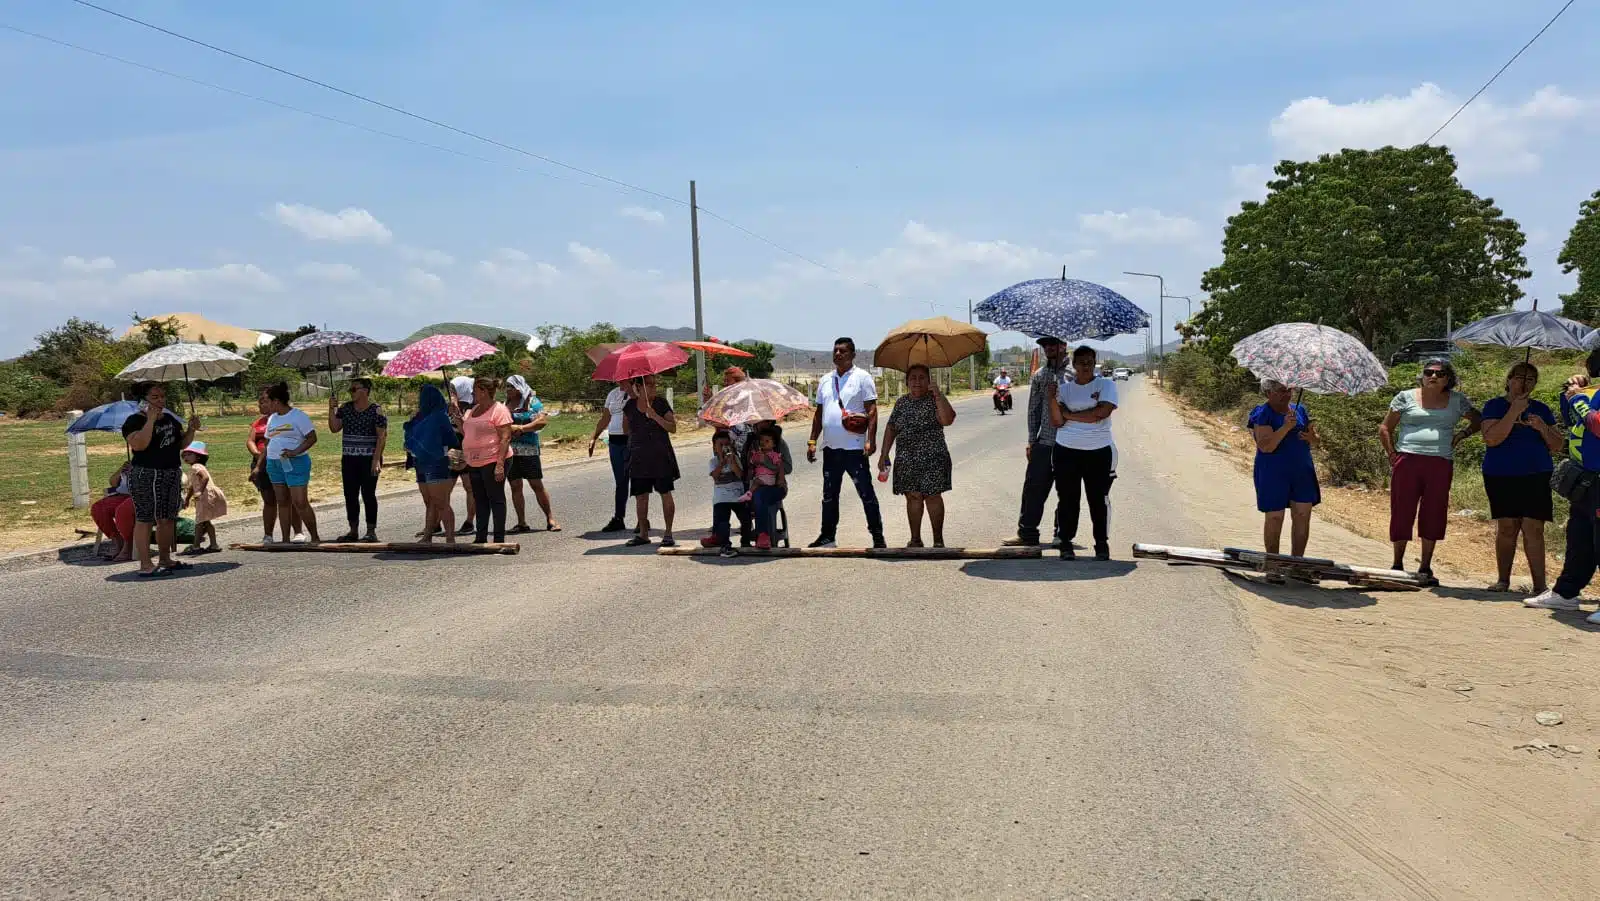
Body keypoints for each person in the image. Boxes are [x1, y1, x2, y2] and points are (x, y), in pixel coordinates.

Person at [1378, 359, 1479, 585]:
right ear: (1422, 375)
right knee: (1402, 509)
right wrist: (1392, 453)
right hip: (1407, 459)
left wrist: (1461, 435)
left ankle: (1425, 566)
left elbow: (1478, 420)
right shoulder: (1405, 397)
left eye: (1440, 374)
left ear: (1448, 379)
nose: (1433, 376)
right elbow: (1385, 427)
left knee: (1434, 511)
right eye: (1428, 372)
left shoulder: (1457, 401)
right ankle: (1397, 564)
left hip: (1440, 461)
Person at [1525, 350, 1600, 620]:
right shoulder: (1592, 391)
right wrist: (1569, 394)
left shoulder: (1589, 395)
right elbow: (1572, 422)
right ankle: (1566, 593)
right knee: (1580, 538)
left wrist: (1579, 398)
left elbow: (1597, 423)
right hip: (1586, 477)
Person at [1478, 363, 1562, 592]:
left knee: (1534, 527)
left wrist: (1542, 428)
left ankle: (1540, 586)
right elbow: (1491, 438)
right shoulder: (1494, 406)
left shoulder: (1541, 409)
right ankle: (1503, 580)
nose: (1525, 382)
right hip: (1501, 473)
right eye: (1520, 377)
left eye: (1531, 379)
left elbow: (1557, 445)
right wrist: (1514, 411)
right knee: (1507, 526)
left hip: (1536, 472)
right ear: (1509, 379)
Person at [807, 337, 885, 549]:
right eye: (835, 351)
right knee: (829, 496)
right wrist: (812, 440)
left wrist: (871, 440)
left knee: (866, 493)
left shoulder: (862, 378)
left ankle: (877, 536)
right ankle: (827, 536)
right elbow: (819, 413)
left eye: (842, 351)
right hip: (831, 450)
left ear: (852, 354)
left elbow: (872, 411)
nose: (838, 354)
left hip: (855, 449)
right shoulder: (825, 380)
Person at [1046, 345, 1118, 561]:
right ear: (1074, 365)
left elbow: (1101, 413)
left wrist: (1069, 414)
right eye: (1081, 362)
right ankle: (1066, 542)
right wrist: (1051, 399)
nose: (1086, 366)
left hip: (1099, 450)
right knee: (1068, 498)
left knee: (1098, 499)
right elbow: (1057, 421)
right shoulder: (1064, 390)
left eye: (1090, 362)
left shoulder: (1106, 384)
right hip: (1066, 450)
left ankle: (1101, 544)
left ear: (1094, 363)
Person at [121, 382, 199, 577]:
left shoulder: (171, 420)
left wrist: (191, 430)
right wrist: (150, 421)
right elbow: (139, 445)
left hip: (170, 471)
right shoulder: (133, 421)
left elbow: (180, 444)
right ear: (144, 400)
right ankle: (146, 564)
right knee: (145, 517)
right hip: (146, 473)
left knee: (167, 518)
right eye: (155, 397)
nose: (160, 400)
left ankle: (165, 559)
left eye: (162, 396)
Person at [878, 364, 957, 548]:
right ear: (907, 382)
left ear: (929, 381)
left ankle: (938, 541)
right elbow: (891, 428)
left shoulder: (934, 399)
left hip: (933, 458)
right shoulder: (902, 403)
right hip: (906, 459)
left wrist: (938, 393)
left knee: (932, 496)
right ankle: (915, 540)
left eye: (922, 377)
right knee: (913, 497)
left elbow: (948, 419)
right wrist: (884, 453)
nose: (917, 381)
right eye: (913, 378)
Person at [1248, 379, 1320, 561]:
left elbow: (1316, 441)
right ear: (1268, 393)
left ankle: (1297, 564)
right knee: (1275, 517)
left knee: (1302, 514)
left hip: (1301, 470)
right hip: (1273, 472)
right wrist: (1286, 427)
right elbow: (1266, 446)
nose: (1287, 394)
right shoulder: (1262, 413)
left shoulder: (1300, 410)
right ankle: (1273, 564)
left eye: (1289, 390)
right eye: (1281, 391)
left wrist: (1313, 437)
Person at [1008, 336, 1067, 547]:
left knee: (1067, 491)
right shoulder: (1040, 375)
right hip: (1045, 441)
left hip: (1071, 443)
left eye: (1054, 344)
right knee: (1033, 488)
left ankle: (1062, 534)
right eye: (1045, 345)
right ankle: (1027, 533)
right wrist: (1032, 440)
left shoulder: (1075, 374)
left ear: (1064, 345)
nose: (1049, 348)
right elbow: (1033, 410)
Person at [623, 373, 680, 547]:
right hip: (639, 457)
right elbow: (626, 430)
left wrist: (655, 416)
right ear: (638, 387)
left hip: (660, 455)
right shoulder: (630, 406)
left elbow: (673, 428)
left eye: (654, 384)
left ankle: (668, 533)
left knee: (665, 493)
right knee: (641, 496)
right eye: (649, 385)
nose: (653, 388)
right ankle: (643, 534)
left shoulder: (661, 404)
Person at [328, 377, 387, 542]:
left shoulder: (376, 410)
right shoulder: (345, 409)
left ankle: (370, 531)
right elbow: (334, 428)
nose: (351, 392)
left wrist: (376, 461)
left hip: (369, 459)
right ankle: (353, 530)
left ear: (365, 391)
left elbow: (381, 437)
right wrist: (331, 409)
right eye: (350, 390)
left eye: (354, 389)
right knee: (350, 495)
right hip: (349, 459)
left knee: (368, 494)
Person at [262, 381, 321, 544]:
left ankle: (315, 537)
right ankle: (285, 539)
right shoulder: (272, 418)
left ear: (276, 401)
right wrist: (262, 463)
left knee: (300, 501)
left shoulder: (298, 416)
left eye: (268, 400)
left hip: (295, 462)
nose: (265, 404)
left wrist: (295, 452)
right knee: (282, 501)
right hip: (274, 463)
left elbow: (312, 437)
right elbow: (268, 441)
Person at [404, 384, 461, 544]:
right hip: (419, 461)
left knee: (441, 501)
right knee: (429, 501)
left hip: (436, 462)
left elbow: (451, 439)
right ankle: (428, 535)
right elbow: (410, 436)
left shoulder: (440, 416)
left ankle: (450, 539)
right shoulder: (418, 417)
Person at [504, 374, 560, 534]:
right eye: (507, 386)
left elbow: (541, 421)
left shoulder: (532, 402)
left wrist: (521, 429)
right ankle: (521, 522)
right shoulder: (505, 404)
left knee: (536, 485)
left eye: (511, 387)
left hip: (529, 450)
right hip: (510, 451)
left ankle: (550, 518)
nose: (508, 390)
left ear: (519, 387)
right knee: (515, 486)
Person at [461, 375, 512, 543]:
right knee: (480, 499)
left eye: (475, 390)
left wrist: (499, 464)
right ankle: (480, 537)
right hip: (474, 461)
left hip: (493, 459)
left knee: (495, 498)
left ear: (483, 391)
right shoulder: (472, 410)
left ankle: (498, 538)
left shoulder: (499, 410)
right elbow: (468, 432)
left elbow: (505, 438)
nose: (472, 393)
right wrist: (457, 420)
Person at [247, 387, 298, 544]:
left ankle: (297, 532)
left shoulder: (284, 419)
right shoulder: (258, 423)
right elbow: (250, 440)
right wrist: (257, 455)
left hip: (281, 460)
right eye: (259, 402)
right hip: (262, 463)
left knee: (289, 498)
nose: (260, 405)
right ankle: (268, 534)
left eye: (264, 401)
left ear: (273, 401)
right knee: (269, 499)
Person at [588, 380, 634, 533]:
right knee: (621, 481)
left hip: (631, 441)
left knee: (638, 480)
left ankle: (642, 520)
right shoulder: (613, 394)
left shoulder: (637, 391)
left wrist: (632, 392)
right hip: (614, 442)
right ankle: (619, 518)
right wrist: (594, 437)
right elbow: (605, 418)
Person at [705, 430, 749, 557]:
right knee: (723, 522)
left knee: (745, 519)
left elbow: (740, 475)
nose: (724, 448)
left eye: (726, 445)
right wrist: (722, 462)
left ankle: (745, 542)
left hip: (737, 496)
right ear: (714, 447)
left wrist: (732, 462)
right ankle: (725, 545)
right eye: (720, 445)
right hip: (722, 498)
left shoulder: (735, 458)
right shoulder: (713, 461)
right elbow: (715, 476)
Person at [180, 441, 226, 554]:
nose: (186, 457)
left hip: (204, 496)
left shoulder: (196, 467)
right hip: (204, 496)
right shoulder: (195, 467)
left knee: (199, 522)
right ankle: (214, 544)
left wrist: (199, 491)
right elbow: (192, 486)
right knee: (206, 521)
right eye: (184, 455)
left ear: (198, 456)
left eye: (190, 454)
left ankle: (196, 546)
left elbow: (204, 478)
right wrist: (187, 498)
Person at [90, 461, 135, 562]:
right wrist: (121, 470)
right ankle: (117, 539)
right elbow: (113, 482)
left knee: (122, 510)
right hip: (122, 495)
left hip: (139, 496)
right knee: (98, 508)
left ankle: (129, 544)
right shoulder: (132, 461)